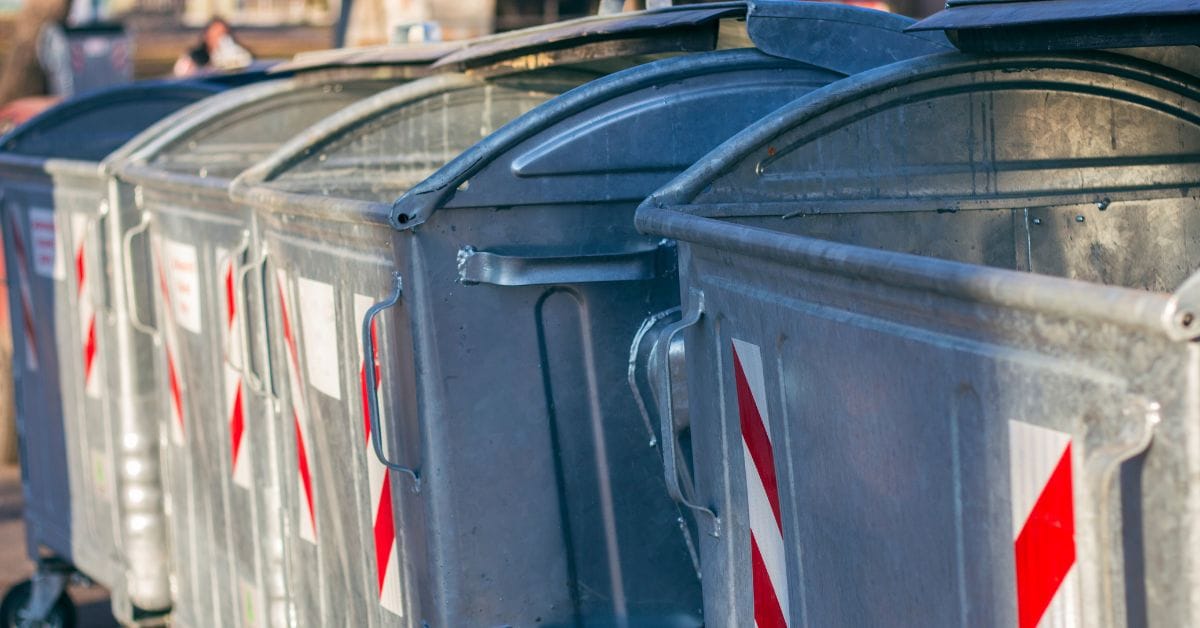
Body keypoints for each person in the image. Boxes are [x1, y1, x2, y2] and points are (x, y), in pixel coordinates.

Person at [173, 17, 253, 77]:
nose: (220, 38)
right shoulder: (193, 57)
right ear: (206, 36)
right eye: (216, 34)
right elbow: (180, 77)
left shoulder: (240, 54)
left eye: (223, 34)